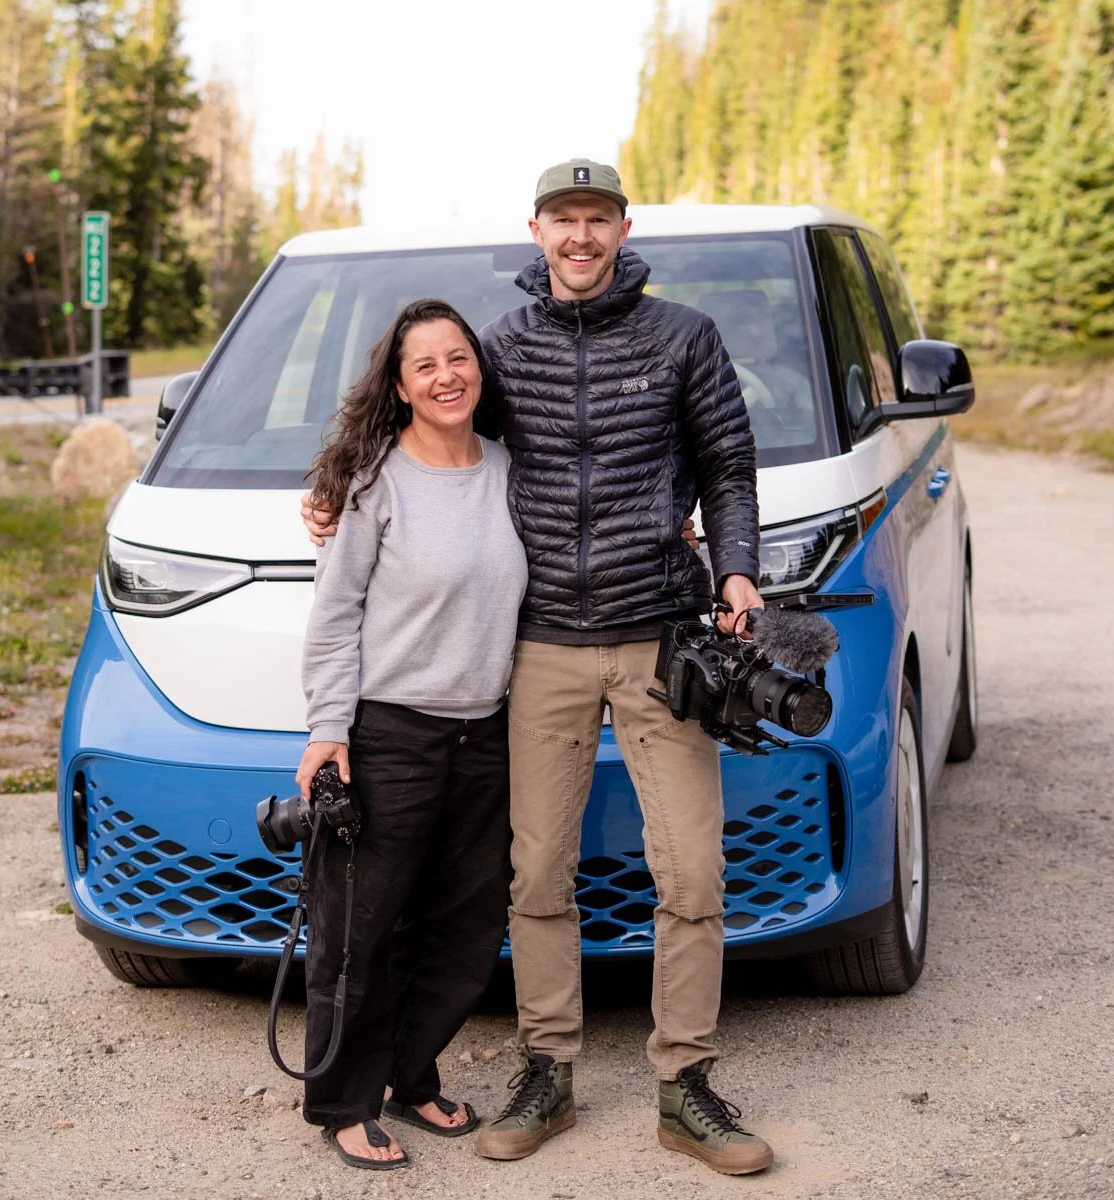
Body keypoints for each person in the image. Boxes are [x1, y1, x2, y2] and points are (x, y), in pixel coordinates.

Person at [304, 159, 773, 1177]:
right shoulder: (501, 348)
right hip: (543, 646)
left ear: (622, 228)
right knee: (534, 878)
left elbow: (730, 465)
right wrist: (335, 494)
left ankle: (686, 1085)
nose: (581, 236)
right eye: (564, 219)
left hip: (663, 640)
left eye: (597, 219)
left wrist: (735, 569)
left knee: (692, 870)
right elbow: (437, 437)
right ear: (537, 230)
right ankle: (546, 1071)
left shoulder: (686, 337)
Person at [296, 298, 527, 1170]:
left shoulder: (511, 468)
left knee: (464, 929)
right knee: (360, 928)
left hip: (487, 734)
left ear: (479, 366)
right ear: (398, 386)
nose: (446, 376)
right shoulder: (372, 483)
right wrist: (328, 728)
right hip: (390, 733)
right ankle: (344, 1101)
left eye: (458, 357)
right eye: (424, 364)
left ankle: (408, 1073)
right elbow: (335, 613)